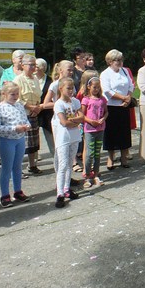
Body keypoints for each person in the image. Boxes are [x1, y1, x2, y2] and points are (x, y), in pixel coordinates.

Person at [0, 82, 31, 208]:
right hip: (7, 140)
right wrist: (14, 128)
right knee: (7, 168)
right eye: (12, 94)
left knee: (17, 166)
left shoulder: (19, 105)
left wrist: (27, 126)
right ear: (4, 94)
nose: (15, 96)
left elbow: (25, 119)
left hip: (20, 139)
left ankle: (18, 191)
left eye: (17, 94)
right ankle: (5, 195)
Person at [52, 77, 84, 208]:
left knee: (70, 163)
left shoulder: (75, 101)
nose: (71, 91)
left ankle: (66, 188)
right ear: (61, 89)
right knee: (63, 165)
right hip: (63, 138)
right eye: (68, 88)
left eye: (72, 88)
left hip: (74, 136)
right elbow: (63, 122)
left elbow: (82, 116)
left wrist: (74, 121)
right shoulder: (59, 104)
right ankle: (59, 193)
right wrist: (74, 121)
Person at [100, 49, 134, 170]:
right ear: (110, 61)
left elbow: (131, 85)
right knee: (111, 133)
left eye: (120, 59)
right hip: (111, 106)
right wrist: (123, 97)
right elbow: (107, 90)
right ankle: (110, 158)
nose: (119, 62)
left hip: (124, 106)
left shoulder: (124, 71)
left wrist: (128, 98)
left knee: (124, 132)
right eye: (116, 60)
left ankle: (124, 157)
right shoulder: (105, 74)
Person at [13, 54, 42, 175]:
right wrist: (30, 107)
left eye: (34, 65)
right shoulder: (18, 80)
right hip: (23, 114)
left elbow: (38, 95)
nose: (33, 67)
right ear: (23, 65)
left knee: (33, 142)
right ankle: (17, 169)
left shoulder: (35, 79)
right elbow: (17, 98)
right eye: (30, 65)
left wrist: (37, 108)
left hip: (34, 113)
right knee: (22, 143)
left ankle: (32, 165)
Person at [80, 75, 107, 187]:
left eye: (98, 87)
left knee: (97, 152)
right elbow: (82, 115)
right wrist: (91, 121)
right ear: (89, 87)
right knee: (90, 153)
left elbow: (106, 112)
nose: (96, 89)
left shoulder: (102, 99)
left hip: (100, 129)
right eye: (94, 87)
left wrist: (103, 119)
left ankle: (96, 174)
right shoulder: (86, 99)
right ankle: (87, 175)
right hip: (90, 130)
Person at [35, 58, 55, 156]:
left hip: (47, 112)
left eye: (37, 66)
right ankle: (34, 157)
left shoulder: (50, 80)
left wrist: (42, 106)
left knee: (50, 136)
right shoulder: (30, 79)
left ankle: (55, 156)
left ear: (43, 68)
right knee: (33, 137)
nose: (35, 68)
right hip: (33, 110)